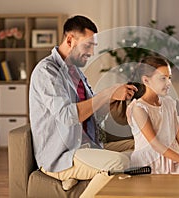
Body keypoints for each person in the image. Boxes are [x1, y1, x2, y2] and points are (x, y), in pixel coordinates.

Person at [29, 15, 137, 198]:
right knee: (120, 163)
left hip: (88, 146)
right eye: (87, 46)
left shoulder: (75, 71)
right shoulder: (46, 72)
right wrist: (107, 93)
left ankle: (76, 176)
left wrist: (114, 98)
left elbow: (92, 113)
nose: (91, 53)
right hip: (62, 156)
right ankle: (71, 173)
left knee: (142, 147)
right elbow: (68, 116)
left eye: (93, 47)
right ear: (70, 40)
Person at [126, 56, 179, 174]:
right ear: (146, 80)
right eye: (163, 78)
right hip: (148, 165)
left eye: (169, 78)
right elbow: (155, 144)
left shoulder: (169, 103)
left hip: (172, 161)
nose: (169, 83)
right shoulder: (138, 108)